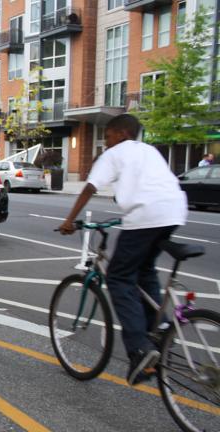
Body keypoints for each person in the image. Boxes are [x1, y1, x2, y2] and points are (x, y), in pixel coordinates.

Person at [58, 114, 187, 386]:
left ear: (122, 134)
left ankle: (138, 349)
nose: (106, 142)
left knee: (118, 277)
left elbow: (90, 187)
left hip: (145, 215)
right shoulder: (149, 151)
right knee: (144, 269)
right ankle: (161, 326)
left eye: (108, 136)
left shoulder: (115, 153)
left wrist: (69, 220)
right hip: (175, 212)